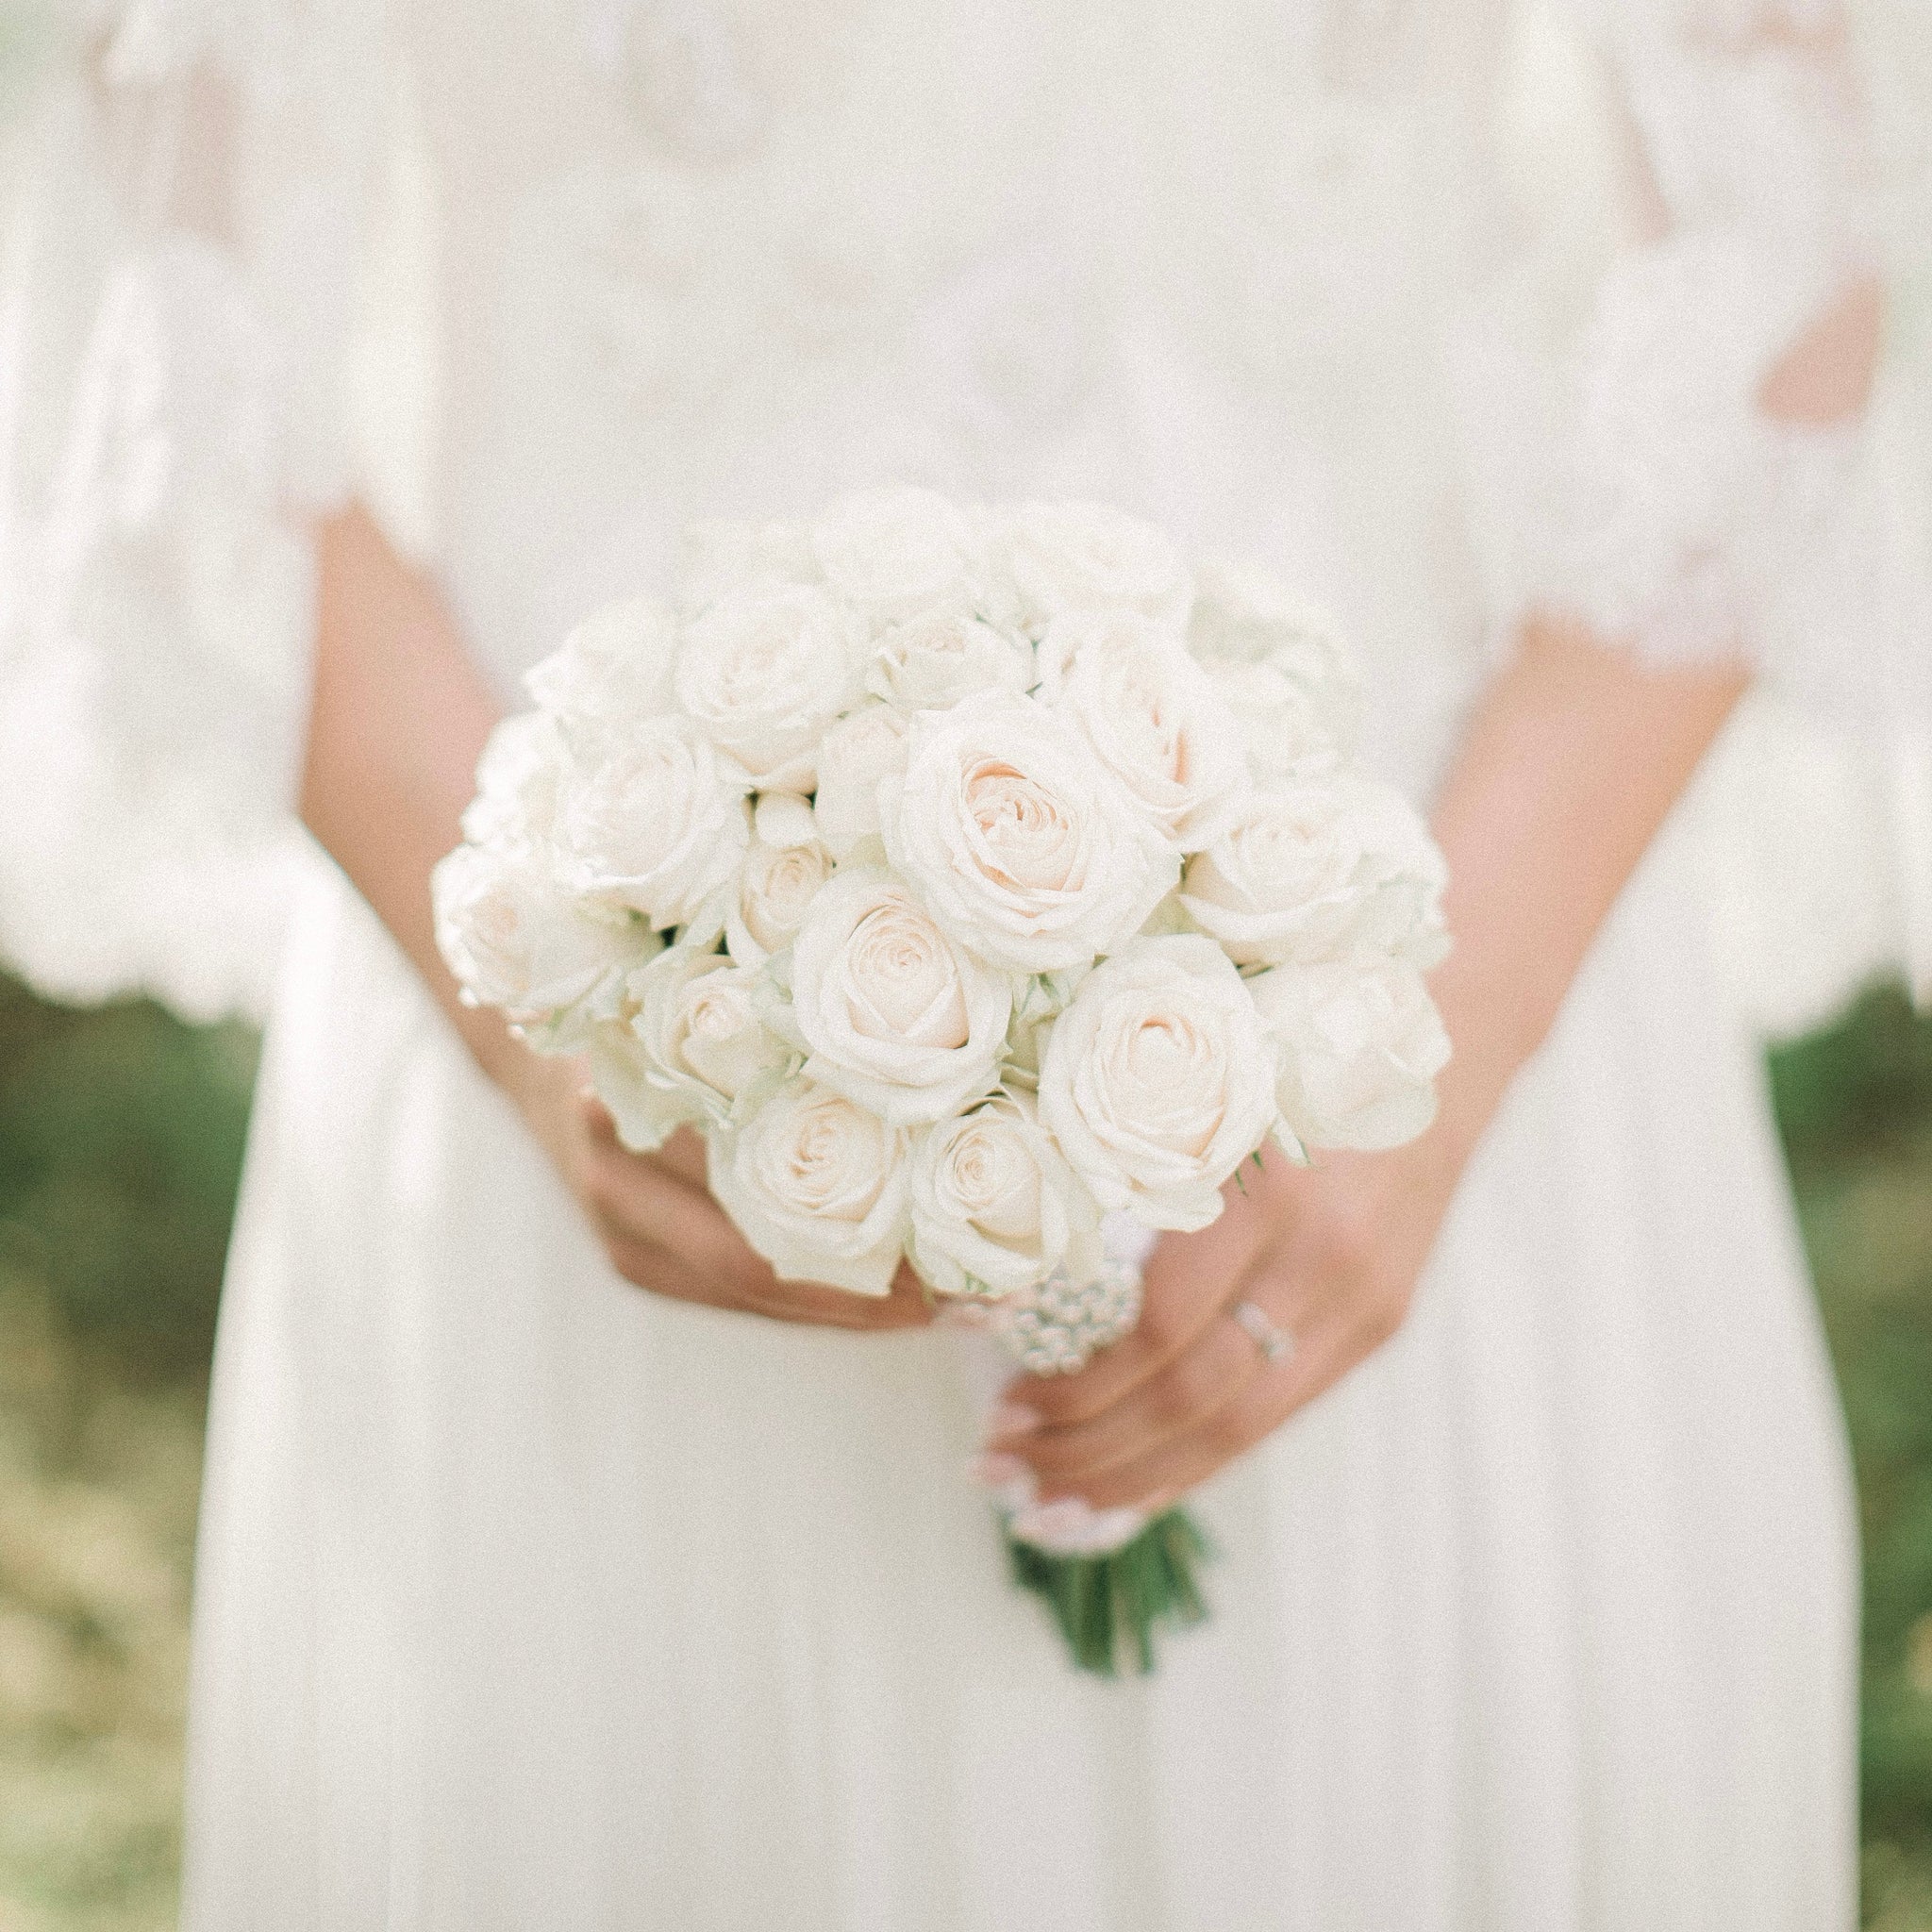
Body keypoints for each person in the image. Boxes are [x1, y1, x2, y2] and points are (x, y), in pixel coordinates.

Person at [0, 3, 1918, 1925]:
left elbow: (1793, 224)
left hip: (1434, 1030)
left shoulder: (1430, 1058)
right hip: (612, 1060)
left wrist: (1437, 1042)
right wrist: (558, 1023)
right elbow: (172, 320)